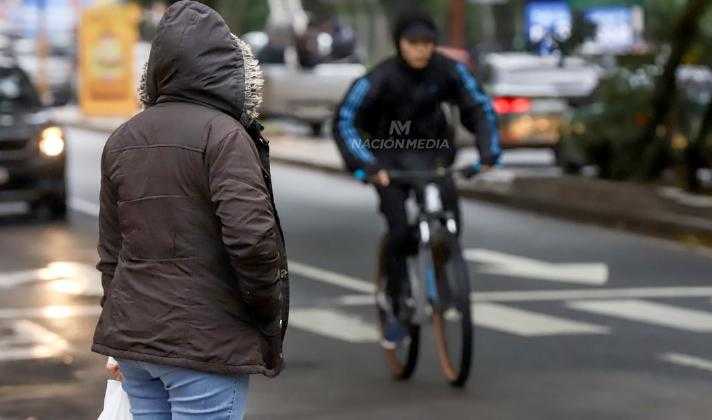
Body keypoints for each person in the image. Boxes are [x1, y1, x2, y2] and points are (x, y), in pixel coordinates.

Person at [92, 1, 289, 419]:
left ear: (157, 68)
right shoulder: (225, 135)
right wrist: (263, 313)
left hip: (137, 346)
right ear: (226, 69)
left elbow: (112, 255)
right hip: (205, 345)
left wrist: (120, 331)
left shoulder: (123, 138)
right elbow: (252, 240)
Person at [332, 9, 502, 349]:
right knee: (398, 230)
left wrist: (487, 154)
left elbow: (479, 108)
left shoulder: (449, 70)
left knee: (449, 215)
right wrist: (366, 164)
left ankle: (444, 267)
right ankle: (396, 302)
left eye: (427, 43)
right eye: (413, 43)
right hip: (389, 163)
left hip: (434, 158)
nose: (421, 50)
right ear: (399, 44)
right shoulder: (380, 77)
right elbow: (345, 119)